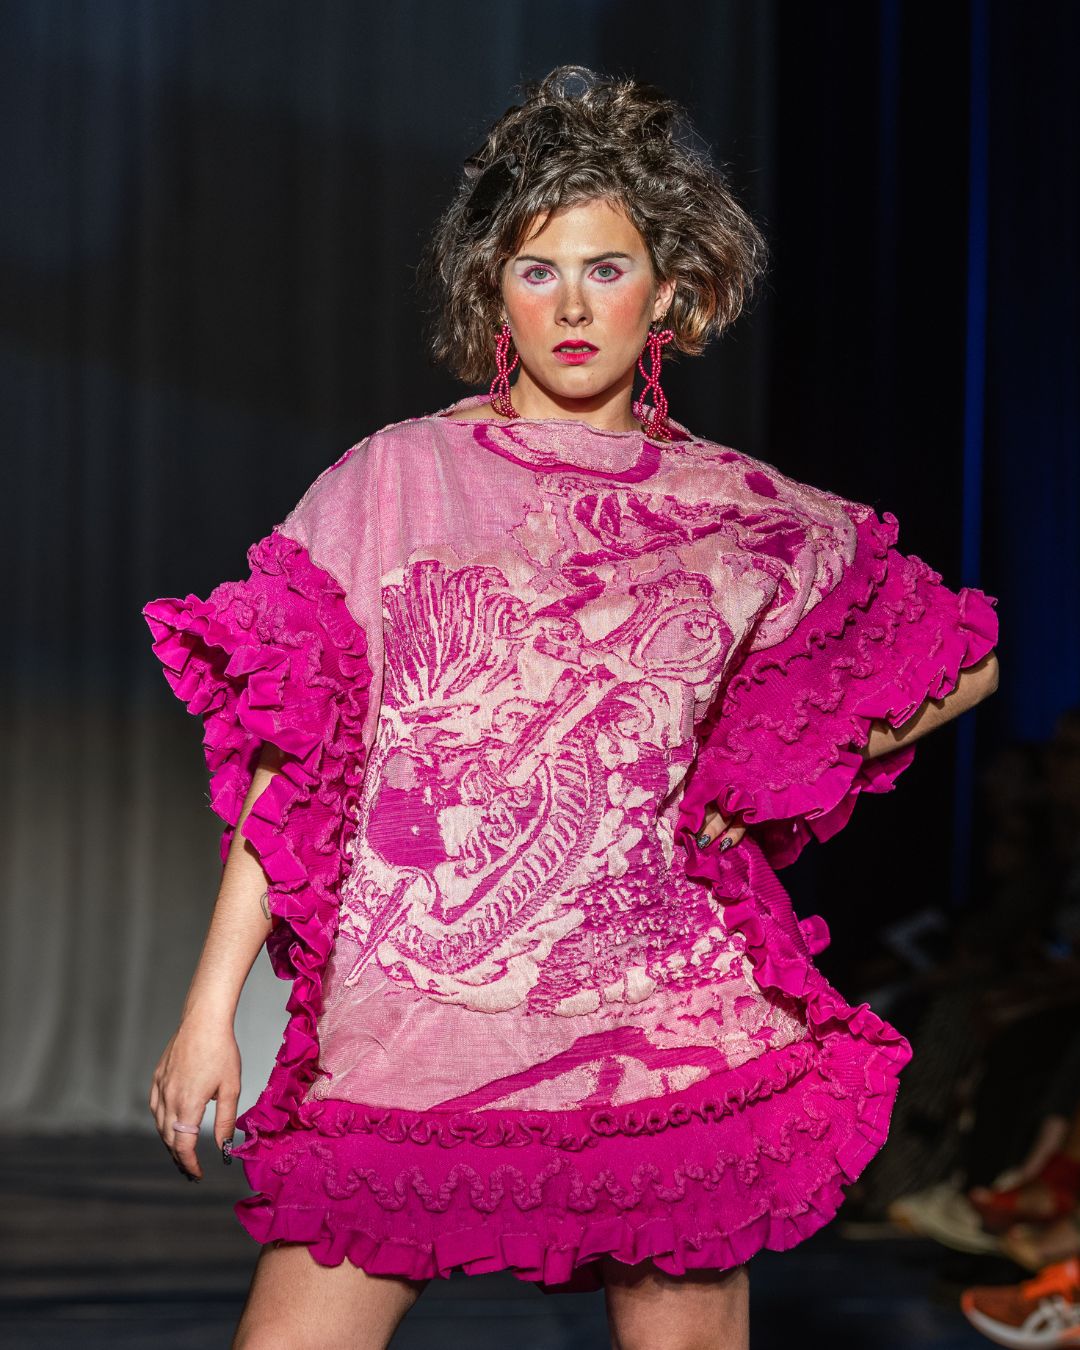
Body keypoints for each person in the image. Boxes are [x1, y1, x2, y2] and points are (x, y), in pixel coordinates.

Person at [141, 64, 1000, 1350]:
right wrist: (209, 1012)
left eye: (608, 268)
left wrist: (752, 775)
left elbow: (967, 662)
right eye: (539, 270)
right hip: (413, 1028)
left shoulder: (739, 510)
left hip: (659, 1031)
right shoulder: (396, 479)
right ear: (494, 290)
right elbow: (292, 754)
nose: (575, 305)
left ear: (671, 290)